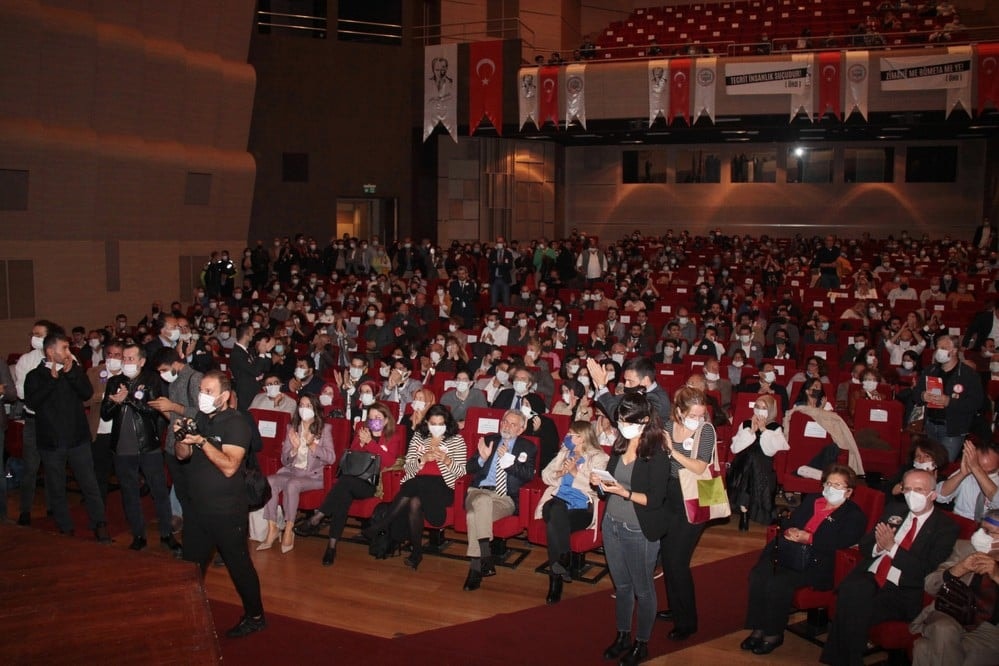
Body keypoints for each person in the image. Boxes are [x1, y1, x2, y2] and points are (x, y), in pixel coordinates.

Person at [820, 469, 960, 666]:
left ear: (933, 494)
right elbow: (866, 545)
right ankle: (847, 660)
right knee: (853, 589)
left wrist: (892, 547)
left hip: (903, 589)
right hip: (874, 575)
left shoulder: (945, 527)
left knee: (854, 602)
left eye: (919, 489)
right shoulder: (895, 510)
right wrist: (878, 545)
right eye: (908, 489)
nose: (912, 494)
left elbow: (926, 570)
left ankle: (840, 659)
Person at [174, 370, 265, 638]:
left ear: (224, 396)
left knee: (239, 566)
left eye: (208, 391)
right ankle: (188, 611)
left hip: (227, 510)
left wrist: (201, 441)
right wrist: (183, 439)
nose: (202, 395)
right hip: (197, 508)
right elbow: (182, 456)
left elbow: (229, 466)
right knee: (191, 566)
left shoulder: (236, 423)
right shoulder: (200, 418)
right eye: (201, 390)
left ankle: (256, 616)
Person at [742, 464, 867, 655]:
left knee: (778, 582)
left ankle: (773, 633)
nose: (831, 489)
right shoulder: (814, 500)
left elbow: (843, 541)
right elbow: (793, 521)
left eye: (838, 486)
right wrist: (791, 530)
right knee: (759, 574)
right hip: (791, 552)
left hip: (818, 562)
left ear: (848, 492)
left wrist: (810, 538)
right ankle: (758, 627)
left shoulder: (854, 515)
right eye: (828, 483)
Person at [591, 394, 669, 666]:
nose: (622, 424)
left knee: (643, 589)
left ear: (645, 421)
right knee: (622, 586)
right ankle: (623, 634)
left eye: (628, 420)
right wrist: (600, 481)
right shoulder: (620, 443)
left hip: (639, 528)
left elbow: (655, 499)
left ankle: (642, 643)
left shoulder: (656, 453)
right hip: (611, 523)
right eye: (621, 420)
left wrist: (624, 492)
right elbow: (613, 480)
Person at [294, 401, 405, 566]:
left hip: (371, 484)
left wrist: (370, 443)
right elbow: (351, 456)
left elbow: (388, 461)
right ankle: (331, 546)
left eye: (378, 417)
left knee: (343, 483)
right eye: (371, 417)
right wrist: (360, 442)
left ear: (386, 420)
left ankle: (318, 517)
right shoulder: (363, 431)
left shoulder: (393, 436)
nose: (373, 420)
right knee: (343, 496)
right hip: (352, 480)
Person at [23, 332, 110, 541]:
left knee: (89, 483)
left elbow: (87, 393)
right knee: (56, 486)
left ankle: (99, 523)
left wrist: (71, 374)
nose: (68, 352)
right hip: (51, 443)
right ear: (51, 351)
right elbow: (32, 403)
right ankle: (65, 527)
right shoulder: (35, 376)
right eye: (64, 348)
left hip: (78, 439)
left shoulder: (74, 370)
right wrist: (52, 381)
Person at [362, 404, 466, 570]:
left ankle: (382, 524)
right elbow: (408, 469)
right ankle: (417, 552)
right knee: (414, 501)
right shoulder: (418, 437)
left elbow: (461, 473)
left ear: (447, 424)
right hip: (417, 485)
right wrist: (422, 459)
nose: (437, 428)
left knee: (415, 484)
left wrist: (446, 460)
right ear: (426, 422)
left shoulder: (456, 440)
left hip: (443, 487)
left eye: (441, 424)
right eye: (433, 423)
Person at [100, 344, 178, 553]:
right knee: (129, 493)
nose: (126, 362)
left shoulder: (151, 380)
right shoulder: (114, 382)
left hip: (148, 445)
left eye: (131, 358)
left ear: (142, 361)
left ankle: (166, 533)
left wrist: (128, 400)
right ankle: (138, 534)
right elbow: (105, 414)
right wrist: (116, 402)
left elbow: (152, 411)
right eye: (124, 359)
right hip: (122, 447)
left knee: (159, 491)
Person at [910, 508, 999, 666]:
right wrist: (960, 568)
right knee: (944, 629)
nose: (980, 535)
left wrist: (996, 575)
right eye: (980, 528)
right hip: (950, 614)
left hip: (990, 630)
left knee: (924, 649)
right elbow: (929, 585)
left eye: (988, 532)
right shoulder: (965, 548)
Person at [461, 410, 536, 592]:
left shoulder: (528, 447)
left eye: (512, 424)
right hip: (477, 492)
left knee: (473, 516)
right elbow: (468, 467)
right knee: (482, 501)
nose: (506, 426)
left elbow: (528, 475)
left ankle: (476, 566)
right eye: (504, 422)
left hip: (505, 499)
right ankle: (485, 556)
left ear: (521, 429)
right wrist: (482, 459)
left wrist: (509, 463)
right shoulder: (489, 440)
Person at [536, 421, 609, 604]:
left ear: (582, 437)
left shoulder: (599, 457)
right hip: (556, 501)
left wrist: (576, 473)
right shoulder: (564, 453)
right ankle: (564, 557)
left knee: (555, 521)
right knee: (555, 508)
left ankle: (556, 580)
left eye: (571, 434)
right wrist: (559, 473)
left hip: (581, 508)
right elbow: (545, 475)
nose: (567, 437)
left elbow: (599, 488)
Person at [258, 394, 335, 554]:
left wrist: (311, 444)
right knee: (269, 481)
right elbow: (285, 460)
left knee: (293, 484)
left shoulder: (324, 429)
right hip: (292, 471)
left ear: (315, 409)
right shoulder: (292, 429)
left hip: (314, 476)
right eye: (301, 405)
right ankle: (272, 528)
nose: (304, 409)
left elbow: (331, 458)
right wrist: (293, 449)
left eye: (308, 406)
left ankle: (288, 529)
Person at [912, 335, 985, 461]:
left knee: (944, 463)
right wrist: (923, 396)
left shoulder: (968, 374)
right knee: (929, 463)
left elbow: (976, 403)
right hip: (930, 425)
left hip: (953, 428)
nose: (938, 351)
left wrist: (949, 402)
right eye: (938, 347)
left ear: (954, 350)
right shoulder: (931, 370)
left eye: (943, 348)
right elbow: (915, 393)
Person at [13, 319, 57, 525]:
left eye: (39, 334)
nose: (34, 338)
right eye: (33, 334)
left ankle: (53, 506)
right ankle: (25, 510)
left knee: (53, 466)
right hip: (33, 419)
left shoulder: (62, 356)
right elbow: (23, 392)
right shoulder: (25, 360)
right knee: (31, 467)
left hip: (54, 420)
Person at [728, 394, 789, 531]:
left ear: (771, 410)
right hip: (743, 462)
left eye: (764, 407)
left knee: (754, 462)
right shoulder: (745, 423)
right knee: (750, 460)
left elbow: (772, 450)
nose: (759, 410)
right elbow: (735, 448)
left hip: (763, 463)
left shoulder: (775, 427)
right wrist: (751, 432)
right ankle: (744, 511)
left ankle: (745, 510)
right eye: (757, 406)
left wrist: (763, 430)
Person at [588, 356, 672, 423]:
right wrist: (598, 387)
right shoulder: (638, 391)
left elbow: (619, 416)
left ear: (645, 380)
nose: (626, 385)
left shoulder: (657, 400)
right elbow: (610, 402)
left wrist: (602, 387)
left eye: (630, 381)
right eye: (625, 380)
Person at [935, 438, 999, 521]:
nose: (983, 474)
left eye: (991, 471)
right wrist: (962, 474)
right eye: (980, 468)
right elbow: (939, 496)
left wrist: (977, 469)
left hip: (990, 526)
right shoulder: (967, 470)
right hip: (960, 521)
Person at [885, 434, 949, 500]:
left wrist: (931, 482)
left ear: (936, 459)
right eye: (918, 456)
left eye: (927, 456)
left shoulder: (941, 480)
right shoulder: (906, 470)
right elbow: (889, 490)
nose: (921, 460)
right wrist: (904, 485)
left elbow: (941, 503)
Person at [230, 324, 275, 411]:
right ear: (246, 334)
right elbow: (255, 371)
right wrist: (262, 353)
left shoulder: (249, 351)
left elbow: (266, 368)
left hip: (255, 390)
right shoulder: (237, 353)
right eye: (252, 333)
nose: (253, 335)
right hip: (245, 393)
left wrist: (267, 351)